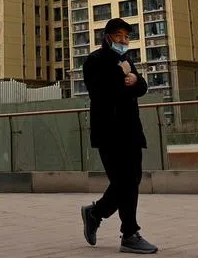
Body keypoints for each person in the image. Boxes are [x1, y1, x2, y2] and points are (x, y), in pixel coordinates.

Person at [80, 18, 158, 254]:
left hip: (131, 130)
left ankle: (96, 212)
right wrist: (122, 76)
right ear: (108, 37)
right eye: (119, 36)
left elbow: (141, 88)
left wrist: (134, 79)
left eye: (126, 37)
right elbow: (98, 92)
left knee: (131, 180)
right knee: (124, 181)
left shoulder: (126, 61)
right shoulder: (95, 60)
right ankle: (130, 234)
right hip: (109, 132)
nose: (124, 41)